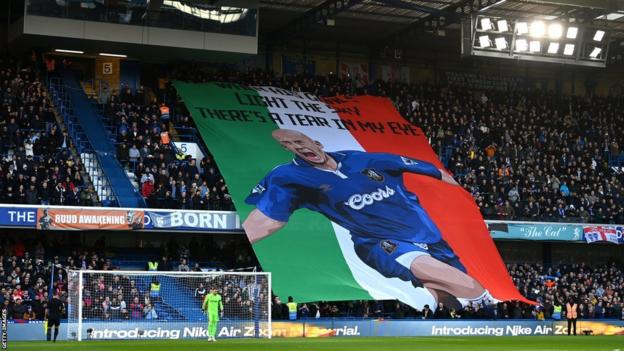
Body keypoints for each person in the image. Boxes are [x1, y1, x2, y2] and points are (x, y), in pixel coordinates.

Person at [243, 129, 494, 308]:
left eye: (299, 140)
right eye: (289, 145)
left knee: (446, 297)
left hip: (430, 237)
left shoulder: (364, 159)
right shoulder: (289, 177)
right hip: (378, 243)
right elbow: (267, 221)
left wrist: (470, 199)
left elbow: (437, 173)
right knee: (470, 287)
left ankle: (453, 326)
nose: (297, 147)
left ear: (316, 142)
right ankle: (490, 306)